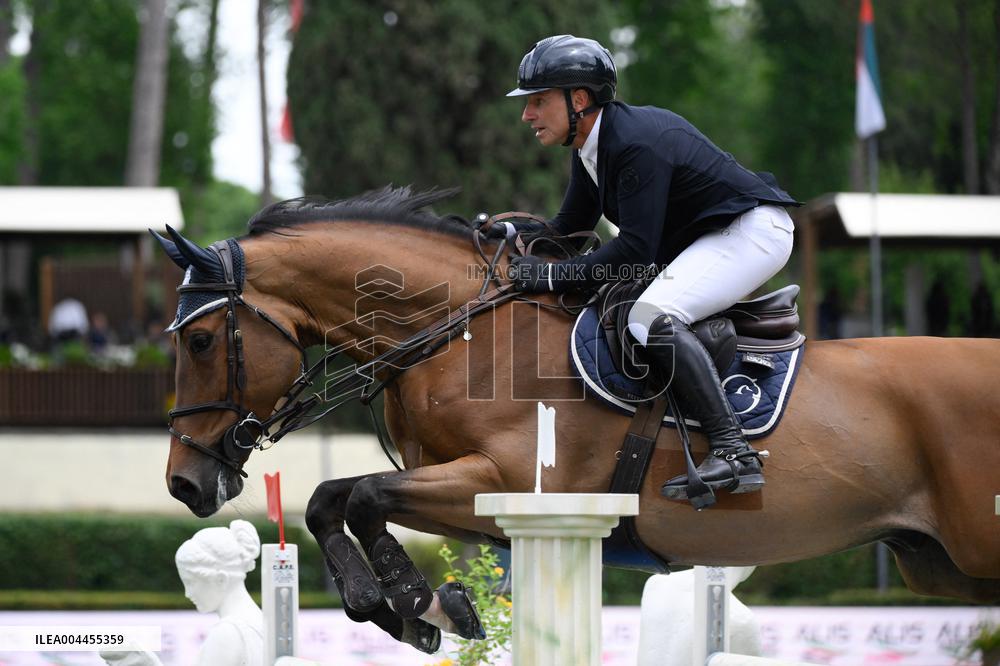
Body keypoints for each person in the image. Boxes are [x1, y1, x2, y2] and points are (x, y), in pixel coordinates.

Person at [503, 35, 799, 501]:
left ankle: (733, 451)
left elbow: (635, 251)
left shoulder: (636, 144)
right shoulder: (589, 147)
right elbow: (568, 227)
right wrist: (502, 235)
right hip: (711, 236)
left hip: (751, 232)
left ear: (578, 100)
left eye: (538, 101)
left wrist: (552, 276)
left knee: (649, 316)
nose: (527, 114)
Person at [101, 520, 264, 666]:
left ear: (220, 579)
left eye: (191, 583)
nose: (188, 593)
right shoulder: (260, 622)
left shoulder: (227, 633)